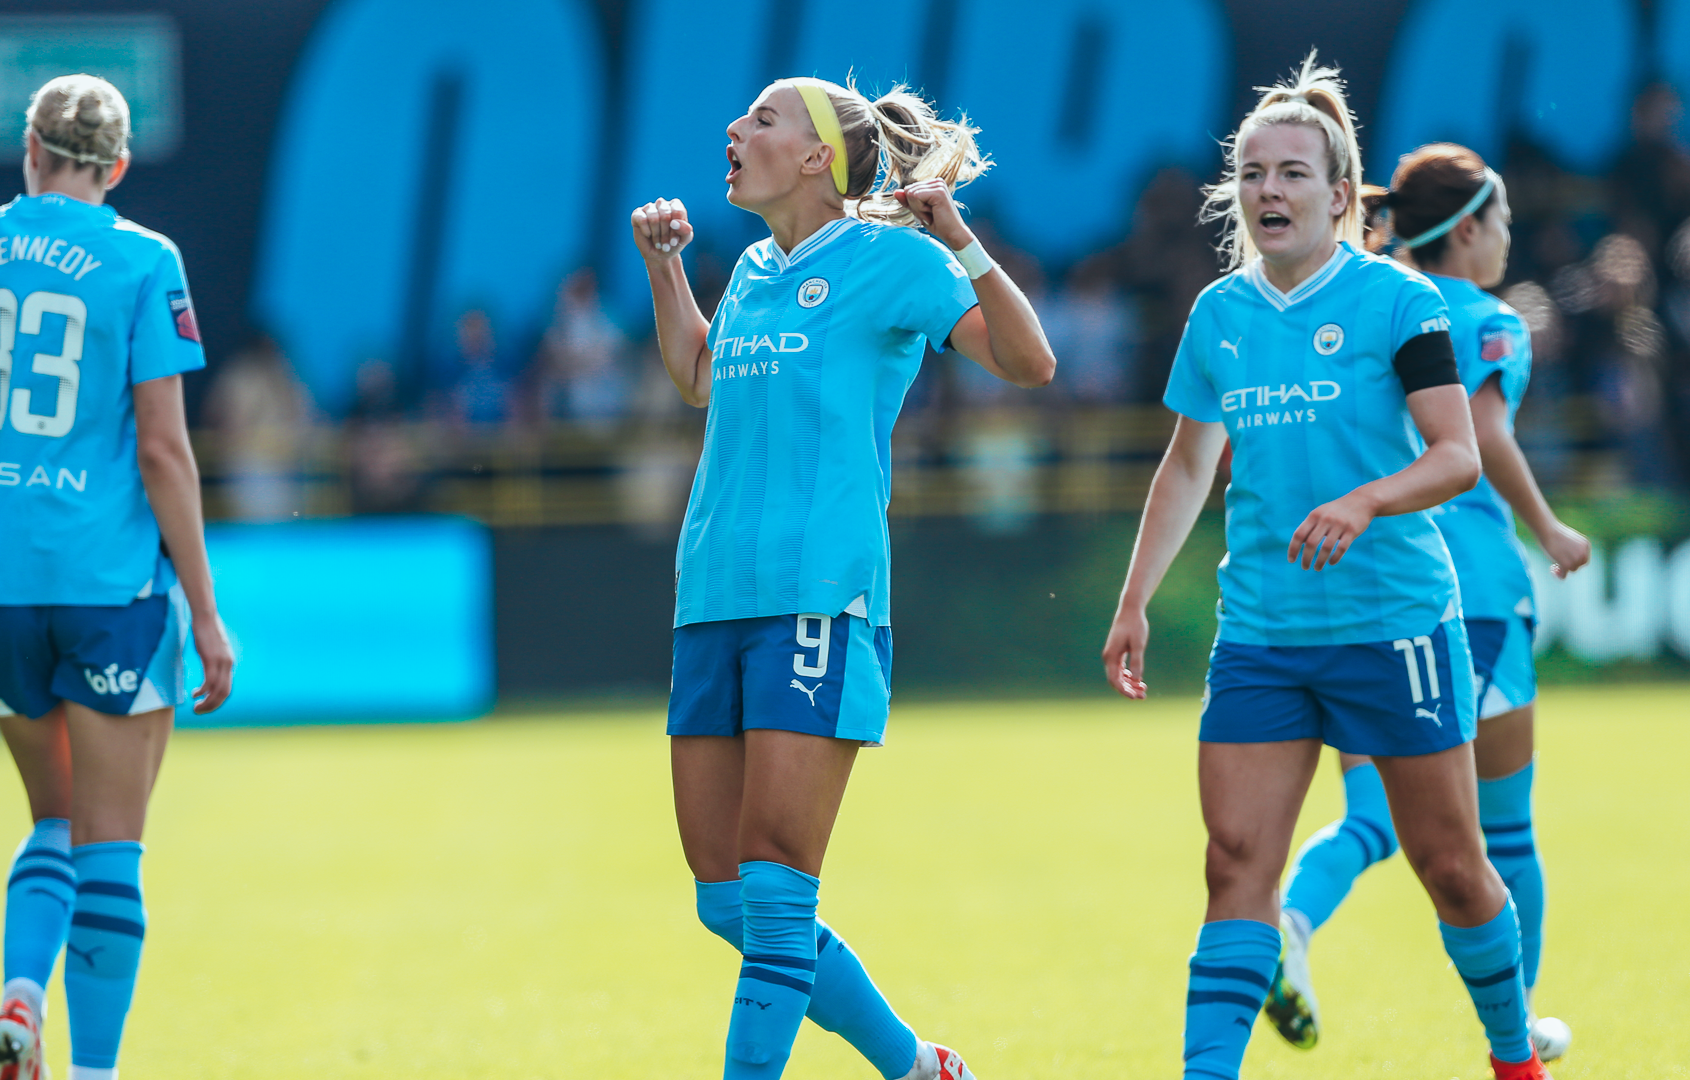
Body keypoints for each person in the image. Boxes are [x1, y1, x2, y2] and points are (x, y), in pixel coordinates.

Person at [1099, 57, 1551, 1080]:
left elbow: (1456, 456)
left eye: (1294, 174)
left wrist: (1362, 501)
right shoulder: (1219, 315)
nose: (1271, 191)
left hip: (1396, 624)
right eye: (1254, 174)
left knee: (1451, 867)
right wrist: (1134, 600)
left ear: (1342, 196)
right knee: (1235, 868)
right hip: (1261, 634)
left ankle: (1515, 1057)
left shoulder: (1400, 303)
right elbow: (1185, 467)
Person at [631, 76, 1054, 1080]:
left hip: (819, 595)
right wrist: (666, 269)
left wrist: (962, 240)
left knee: (776, 892)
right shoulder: (752, 271)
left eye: (763, 119)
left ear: (818, 156)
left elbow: (1029, 363)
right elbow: (697, 374)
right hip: (714, 597)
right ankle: (914, 1065)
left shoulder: (896, 262)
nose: (735, 128)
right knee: (722, 896)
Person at [0, 74, 235, 1080]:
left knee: (52, 816)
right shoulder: (142, 260)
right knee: (111, 846)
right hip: (108, 586)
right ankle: (90, 1072)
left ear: (30, 152)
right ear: (118, 165)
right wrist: (208, 615)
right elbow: (166, 454)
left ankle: (20, 991)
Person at [1267, 143, 1590, 1063]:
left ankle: (1286, 925)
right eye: (1505, 225)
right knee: (1506, 829)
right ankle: (1516, 1024)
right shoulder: (1486, 318)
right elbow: (1482, 436)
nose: (1507, 243)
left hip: (1364, 589)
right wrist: (1552, 530)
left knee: (1371, 814)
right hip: (1470, 595)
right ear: (1473, 229)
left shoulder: (1355, 299)